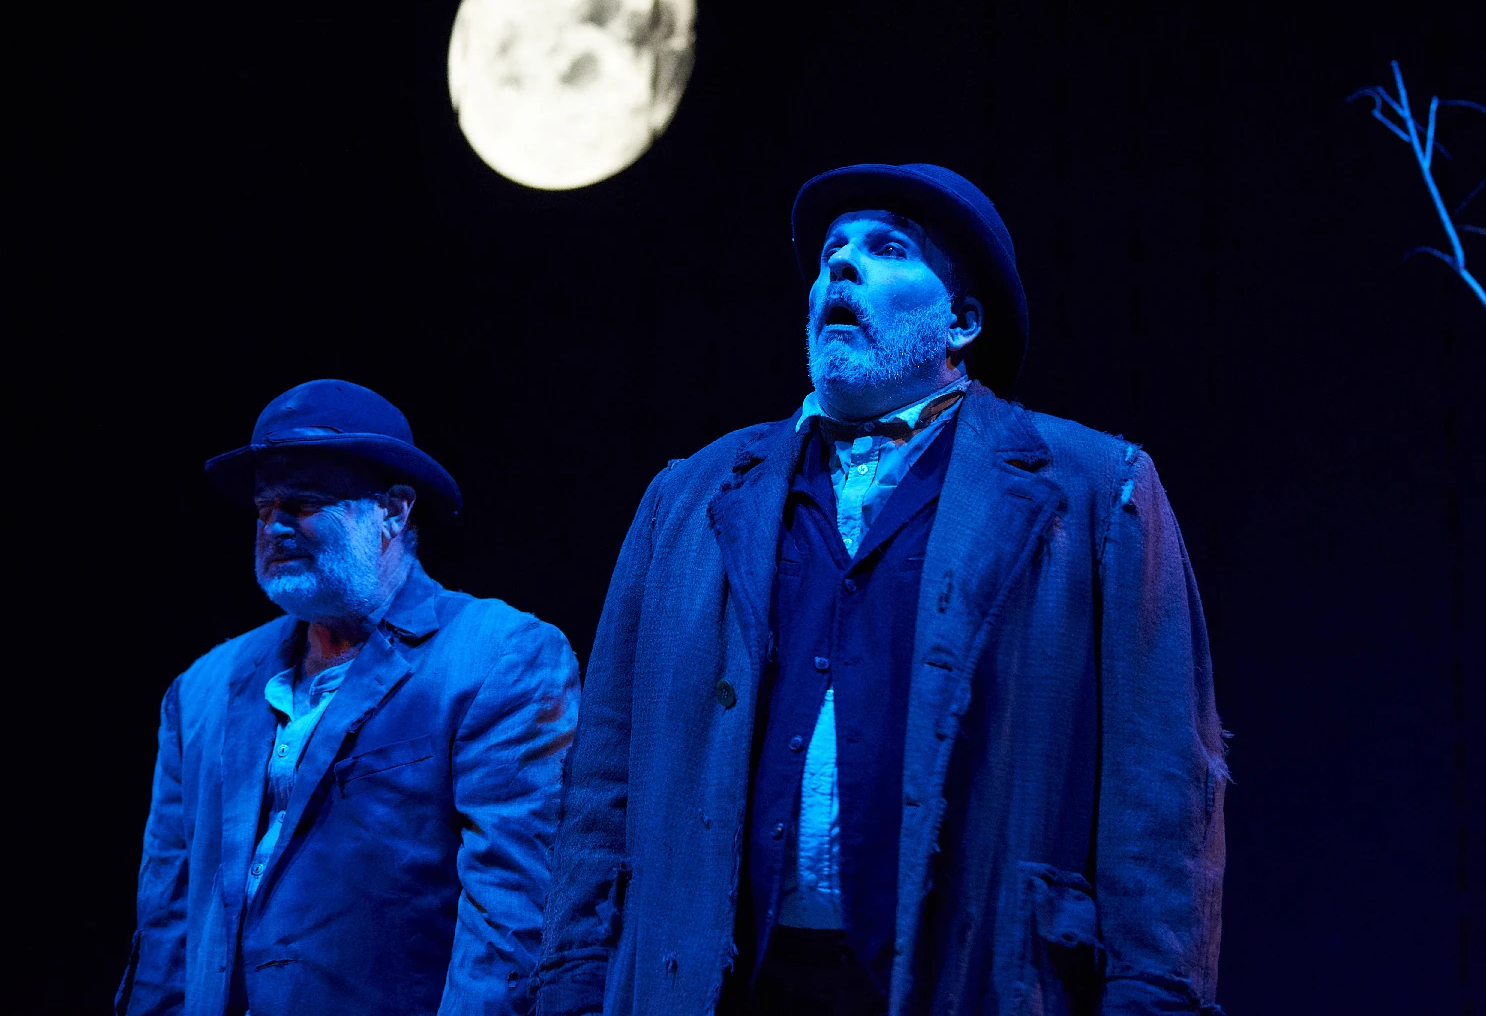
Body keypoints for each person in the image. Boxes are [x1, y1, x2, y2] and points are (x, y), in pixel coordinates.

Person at [536, 164, 1227, 1015]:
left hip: (976, 973)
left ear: (961, 321)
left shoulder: (1092, 487)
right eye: (833, 250)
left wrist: (1154, 998)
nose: (841, 264)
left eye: (887, 248)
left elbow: (1159, 789)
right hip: (723, 982)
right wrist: (571, 982)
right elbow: (603, 772)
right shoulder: (687, 494)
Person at [119, 379, 581, 1016]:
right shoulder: (202, 690)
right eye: (263, 508)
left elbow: (510, 915)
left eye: (304, 502)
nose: (276, 526)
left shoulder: (497, 658)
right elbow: (166, 922)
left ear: (393, 510)